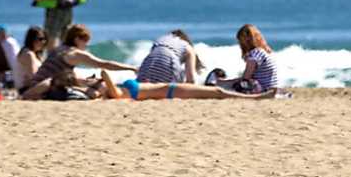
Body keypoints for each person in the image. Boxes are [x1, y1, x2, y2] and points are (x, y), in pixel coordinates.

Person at [21, 24, 137, 100]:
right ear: (77, 39)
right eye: (85, 40)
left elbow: (63, 75)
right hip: (44, 88)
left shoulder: (60, 48)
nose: (87, 44)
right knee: (97, 90)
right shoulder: (75, 53)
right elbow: (104, 64)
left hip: (40, 85)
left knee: (94, 85)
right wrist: (130, 68)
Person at [101, 70, 277, 101]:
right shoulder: (116, 93)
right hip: (172, 91)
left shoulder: (120, 89)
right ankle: (256, 97)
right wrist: (102, 77)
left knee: (216, 91)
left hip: (172, 89)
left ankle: (254, 96)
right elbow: (105, 74)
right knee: (217, 91)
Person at [137, 30, 203, 84]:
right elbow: (190, 79)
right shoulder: (187, 46)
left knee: (145, 83)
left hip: (147, 64)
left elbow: (154, 58)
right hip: (170, 61)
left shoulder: (161, 39)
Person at [236, 24, 279, 91]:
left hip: (263, 89)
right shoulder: (262, 52)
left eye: (240, 41)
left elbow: (246, 77)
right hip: (271, 87)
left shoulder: (255, 54)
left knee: (237, 85)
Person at [15, 26, 47, 93]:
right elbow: (34, 77)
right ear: (31, 39)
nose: (43, 42)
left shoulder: (34, 53)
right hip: (26, 90)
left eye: (44, 39)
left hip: (30, 87)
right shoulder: (28, 54)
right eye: (40, 39)